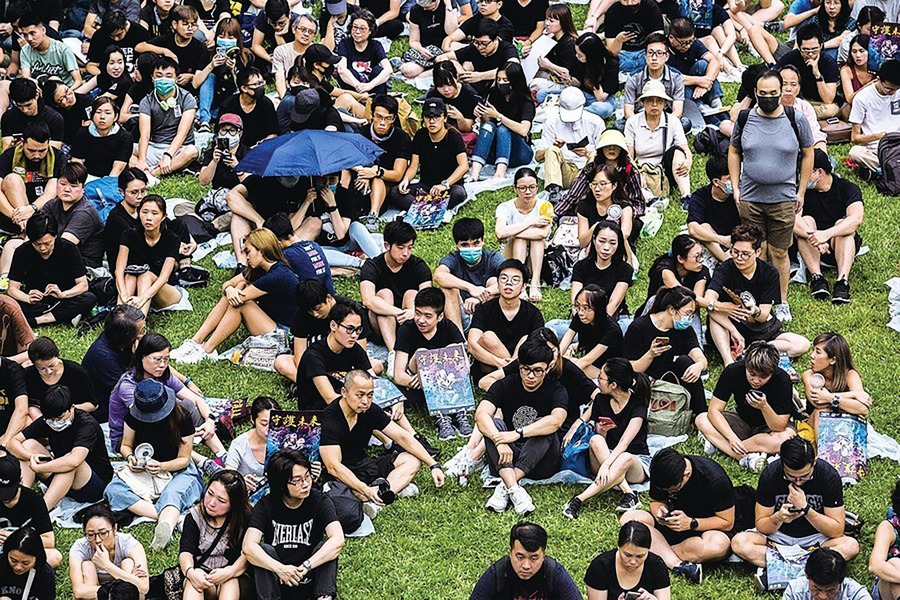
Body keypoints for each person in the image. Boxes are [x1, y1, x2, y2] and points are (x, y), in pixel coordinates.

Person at [728, 69, 814, 323]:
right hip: (751, 199)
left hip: (784, 199)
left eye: (773, 93)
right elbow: (734, 152)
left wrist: (801, 191)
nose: (768, 97)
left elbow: (808, 154)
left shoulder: (795, 119)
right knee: (756, 251)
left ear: (781, 92)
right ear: (755, 93)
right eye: (763, 93)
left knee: (779, 252)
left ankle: (782, 300)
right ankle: (758, 298)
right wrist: (736, 187)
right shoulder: (744, 119)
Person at [321, 369, 444, 519]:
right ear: (344, 392)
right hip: (342, 476)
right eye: (359, 395)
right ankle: (387, 490)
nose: (365, 401)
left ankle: (378, 498)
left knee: (411, 460)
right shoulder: (331, 417)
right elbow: (333, 466)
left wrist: (433, 465)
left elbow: (402, 436)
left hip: (365, 465)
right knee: (351, 492)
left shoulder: (369, 410)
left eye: (370, 395)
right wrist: (365, 490)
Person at [103, 379, 205, 550]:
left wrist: (162, 466)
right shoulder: (133, 417)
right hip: (144, 469)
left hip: (176, 470)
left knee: (174, 492)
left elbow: (184, 459)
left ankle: (166, 523)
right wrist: (131, 459)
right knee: (114, 490)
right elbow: (125, 446)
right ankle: (171, 518)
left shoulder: (182, 417)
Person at [171, 228, 300, 364]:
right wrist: (230, 288)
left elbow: (239, 298)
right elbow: (228, 283)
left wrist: (232, 289)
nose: (246, 257)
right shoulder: (260, 268)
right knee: (235, 292)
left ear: (261, 250)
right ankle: (195, 342)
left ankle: (207, 350)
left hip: (286, 336)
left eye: (248, 251)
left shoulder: (278, 275)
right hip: (274, 324)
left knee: (239, 304)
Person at [731, 437, 859, 570]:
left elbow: (836, 530)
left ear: (814, 462)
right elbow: (761, 526)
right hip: (778, 538)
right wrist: (778, 518)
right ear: (782, 464)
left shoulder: (828, 476)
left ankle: (780, 567)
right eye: (791, 476)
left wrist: (807, 509)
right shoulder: (771, 474)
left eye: (804, 476)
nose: (798, 482)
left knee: (850, 546)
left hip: (817, 539)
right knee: (739, 543)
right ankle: (810, 567)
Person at [477, 338, 567, 515]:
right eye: (526, 369)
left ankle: (505, 486)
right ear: (519, 367)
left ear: (548, 368)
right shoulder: (506, 384)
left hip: (541, 462)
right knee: (493, 424)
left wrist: (517, 433)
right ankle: (514, 489)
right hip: (507, 457)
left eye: (537, 371)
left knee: (545, 424)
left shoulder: (556, 390)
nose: (531, 376)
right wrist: (500, 441)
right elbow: (481, 415)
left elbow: (557, 420)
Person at [620, 447, 736, 584]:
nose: (669, 492)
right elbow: (656, 501)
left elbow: (727, 522)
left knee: (718, 546)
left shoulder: (715, 478)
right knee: (629, 519)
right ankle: (677, 565)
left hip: (706, 527)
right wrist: (660, 512)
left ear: (685, 475)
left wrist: (691, 523)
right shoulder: (662, 471)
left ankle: (654, 553)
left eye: (673, 489)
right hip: (673, 523)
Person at [242, 448, 344, 600]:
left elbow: (338, 540)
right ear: (281, 485)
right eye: (297, 481)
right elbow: (248, 547)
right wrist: (281, 569)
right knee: (263, 550)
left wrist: (306, 567)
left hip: (309, 575)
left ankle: (324, 597)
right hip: (278, 579)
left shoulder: (320, 501)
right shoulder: (266, 505)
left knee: (326, 547)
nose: (305, 484)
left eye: (307, 477)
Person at [704, 223, 812, 366]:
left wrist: (755, 310)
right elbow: (708, 300)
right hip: (730, 325)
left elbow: (763, 315)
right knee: (714, 312)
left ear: (758, 252)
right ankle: (729, 361)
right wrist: (729, 321)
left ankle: (752, 351)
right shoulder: (725, 268)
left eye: (745, 254)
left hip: (761, 329)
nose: (739, 258)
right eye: (735, 252)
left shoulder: (769, 273)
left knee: (802, 344)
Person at [107, 333, 224, 462]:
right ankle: (202, 461)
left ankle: (221, 453)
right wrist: (185, 432)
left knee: (188, 405)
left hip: (158, 425)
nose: (162, 364)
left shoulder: (163, 375)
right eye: (157, 359)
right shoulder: (128, 386)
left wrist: (210, 420)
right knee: (171, 418)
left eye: (166, 359)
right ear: (141, 357)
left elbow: (196, 399)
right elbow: (145, 421)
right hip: (131, 436)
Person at [562, 358, 649, 518]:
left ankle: (579, 500)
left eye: (600, 378)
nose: (597, 381)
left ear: (613, 385)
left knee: (625, 457)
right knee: (595, 439)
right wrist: (602, 431)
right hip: (605, 458)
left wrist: (606, 465)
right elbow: (600, 440)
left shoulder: (637, 405)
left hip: (633, 461)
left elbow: (624, 443)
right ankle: (629, 494)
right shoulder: (601, 400)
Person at [696, 341, 797, 472]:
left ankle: (720, 444)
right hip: (742, 419)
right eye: (752, 374)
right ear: (746, 365)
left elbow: (779, 426)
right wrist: (732, 438)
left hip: (769, 428)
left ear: (773, 372)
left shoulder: (782, 379)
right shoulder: (733, 371)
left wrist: (764, 407)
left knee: (785, 438)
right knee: (701, 419)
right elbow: (714, 410)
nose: (756, 380)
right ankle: (742, 456)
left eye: (763, 376)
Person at [8, 385, 112, 510]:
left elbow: (74, 461)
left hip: (92, 484)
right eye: (51, 419)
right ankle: (22, 496)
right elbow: (13, 442)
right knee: (28, 445)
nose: (55, 422)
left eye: (60, 418)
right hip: (59, 478)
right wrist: (30, 457)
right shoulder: (46, 421)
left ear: (72, 408)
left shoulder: (87, 425)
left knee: (70, 462)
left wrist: (39, 467)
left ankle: (40, 510)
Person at [392, 288, 467, 441]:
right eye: (418, 313)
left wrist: (434, 378)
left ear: (439, 317)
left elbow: (465, 366)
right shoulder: (407, 329)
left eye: (428, 316)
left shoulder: (448, 327)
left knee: (453, 350)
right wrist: (424, 380)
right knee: (422, 352)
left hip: (446, 381)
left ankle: (460, 414)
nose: (421, 320)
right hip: (418, 383)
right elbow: (398, 375)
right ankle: (442, 417)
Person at [0, 162, 103, 273]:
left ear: (83, 188)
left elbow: (65, 246)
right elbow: (35, 232)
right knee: (12, 245)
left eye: (73, 186)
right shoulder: (52, 204)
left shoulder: (85, 212)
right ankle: (5, 280)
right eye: (63, 184)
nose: (67, 189)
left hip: (80, 263)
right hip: (51, 249)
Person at [625, 286, 708, 415]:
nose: (689, 319)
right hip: (643, 382)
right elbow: (630, 368)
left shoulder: (685, 330)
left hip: (670, 379)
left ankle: (702, 414)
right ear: (671, 310)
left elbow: (698, 354)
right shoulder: (639, 327)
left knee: (685, 361)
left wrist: (700, 365)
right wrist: (650, 354)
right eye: (687, 313)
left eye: (692, 314)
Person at [796, 149, 864, 304]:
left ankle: (842, 281)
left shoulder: (847, 188)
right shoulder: (802, 192)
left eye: (803, 172)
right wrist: (815, 238)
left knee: (843, 225)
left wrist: (826, 234)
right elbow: (793, 220)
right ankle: (817, 277)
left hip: (838, 245)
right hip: (813, 246)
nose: (800, 177)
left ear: (819, 172)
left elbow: (856, 218)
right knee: (806, 220)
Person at [7, 212, 97, 327]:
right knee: (9, 303)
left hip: (63, 297)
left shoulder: (69, 248)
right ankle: (63, 316)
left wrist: (63, 294)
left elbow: (83, 285)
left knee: (89, 298)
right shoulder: (22, 251)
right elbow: (12, 289)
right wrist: (27, 298)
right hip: (38, 300)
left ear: (55, 236)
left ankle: (39, 320)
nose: (43, 248)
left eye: (47, 243)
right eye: (37, 244)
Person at [275, 280, 374, 382]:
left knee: (376, 366)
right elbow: (299, 357)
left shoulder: (351, 312)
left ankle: (317, 385)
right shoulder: (303, 315)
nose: (315, 314)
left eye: (318, 309)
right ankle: (314, 384)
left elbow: (361, 353)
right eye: (310, 311)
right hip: (315, 362)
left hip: (345, 364)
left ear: (329, 298)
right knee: (282, 363)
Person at [359, 220, 432, 357]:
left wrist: (413, 312)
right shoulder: (372, 266)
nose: (405, 253)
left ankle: (415, 343)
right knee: (384, 295)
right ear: (387, 245)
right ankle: (394, 353)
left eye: (410, 248)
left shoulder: (418, 266)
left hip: (411, 321)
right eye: (401, 247)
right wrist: (399, 313)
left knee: (412, 294)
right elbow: (367, 300)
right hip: (381, 326)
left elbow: (428, 298)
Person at [180, 471, 251, 600]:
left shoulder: (244, 520)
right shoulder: (194, 516)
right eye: (210, 494)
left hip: (233, 574)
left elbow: (248, 553)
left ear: (234, 504)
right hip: (201, 575)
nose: (211, 503)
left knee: (230, 581)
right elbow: (186, 552)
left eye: (221, 501)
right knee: (195, 581)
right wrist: (190, 572)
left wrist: (230, 571)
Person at [296, 300, 379, 409]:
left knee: (387, 413)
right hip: (318, 410)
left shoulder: (353, 348)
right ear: (333, 326)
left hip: (346, 399)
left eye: (358, 330)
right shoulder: (313, 356)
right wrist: (370, 407)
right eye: (349, 329)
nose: (354, 335)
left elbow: (375, 382)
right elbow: (330, 398)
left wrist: (395, 400)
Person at [625, 80, 693, 210]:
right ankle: (649, 198)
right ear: (642, 103)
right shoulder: (632, 122)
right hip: (640, 168)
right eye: (650, 100)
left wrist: (688, 160)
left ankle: (686, 196)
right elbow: (629, 156)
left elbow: (684, 148)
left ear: (665, 103)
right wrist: (636, 173)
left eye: (659, 100)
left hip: (665, 169)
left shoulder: (672, 121)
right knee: (625, 169)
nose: (654, 104)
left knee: (678, 153)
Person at [392, 98, 468, 213]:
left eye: (437, 117)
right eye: (428, 117)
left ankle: (422, 207)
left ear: (445, 118)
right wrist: (406, 180)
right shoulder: (420, 135)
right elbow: (414, 166)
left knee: (459, 193)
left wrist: (445, 184)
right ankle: (428, 208)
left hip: (449, 186)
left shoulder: (453, 136)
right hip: (426, 186)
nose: (432, 121)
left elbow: (464, 166)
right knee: (395, 192)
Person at [468, 258, 544, 374]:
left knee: (526, 339)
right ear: (497, 284)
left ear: (523, 286)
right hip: (491, 366)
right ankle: (512, 374)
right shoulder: (484, 309)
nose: (508, 283)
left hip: (522, 363)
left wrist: (513, 362)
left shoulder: (533, 313)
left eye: (515, 280)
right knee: (488, 337)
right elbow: (472, 345)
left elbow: (537, 348)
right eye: (504, 278)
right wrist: (500, 363)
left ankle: (510, 374)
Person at [470, 522, 582, 600]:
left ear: (544, 554)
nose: (526, 566)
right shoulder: (497, 574)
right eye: (520, 557)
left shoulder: (554, 573)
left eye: (534, 558)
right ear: (510, 552)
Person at [114, 194, 184, 317]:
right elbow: (119, 270)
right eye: (144, 212)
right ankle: (118, 319)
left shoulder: (172, 239)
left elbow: (164, 278)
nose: (148, 218)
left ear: (163, 217)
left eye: (154, 213)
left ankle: (140, 324)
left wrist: (142, 298)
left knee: (145, 275)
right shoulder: (129, 234)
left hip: (165, 289)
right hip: (136, 286)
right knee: (130, 275)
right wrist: (124, 295)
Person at [534, 87, 605, 205]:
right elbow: (537, 156)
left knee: (595, 155)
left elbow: (604, 155)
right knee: (552, 150)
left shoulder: (595, 122)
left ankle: (585, 189)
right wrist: (554, 146)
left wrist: (586, 153)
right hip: (563, 171)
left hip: (588, 171)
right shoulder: (552, 123)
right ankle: (554, 192)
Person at [132, 56, 200, 177]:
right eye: (158, 75)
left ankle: (153, 174)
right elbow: (145, 134)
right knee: (125, 148)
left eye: (168, 76)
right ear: (152, 78)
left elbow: (182, 133)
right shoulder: (146, 101)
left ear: (175, 78)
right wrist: (142, 160)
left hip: (179, 149)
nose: (163, 79)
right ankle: (144, 168)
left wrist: (168, 155)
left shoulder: (187, 98)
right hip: (155, 146)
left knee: (192, 152)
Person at [469, 61, 534, 182]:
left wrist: (499, 116)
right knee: (488, 126)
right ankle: (475, 173)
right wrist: (482, 114)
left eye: (505, 80)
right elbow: (488, 123)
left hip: (519, 152)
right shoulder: (494, 94)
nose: (501, 83)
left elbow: (524, 130)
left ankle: (500, 172)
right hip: (495, 149)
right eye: (498, 79)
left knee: (504, 129)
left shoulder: (525, 101)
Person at [435, 217, 503, 333]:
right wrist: (471, 288)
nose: (471, 249)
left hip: (486, 312)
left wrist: (480, 296)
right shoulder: (453, 259)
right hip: (459, 313)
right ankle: (458, 339)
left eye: (476, 243)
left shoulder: (492, 258)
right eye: (465, 245)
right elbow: (439, 275)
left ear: (482, 241)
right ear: (457, 245)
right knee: (447, 287)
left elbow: (510, 277)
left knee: (493, 281)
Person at [68, 504, 149, 600]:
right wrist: (128, 583)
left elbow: (143, 587)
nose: (97, 540)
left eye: (103, 533)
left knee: (128, 562)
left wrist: (107, 565)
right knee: (87, 566)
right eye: (90, 535)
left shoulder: (129, 543)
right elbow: (79, 592)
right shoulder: (80, 547)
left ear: (114, 529)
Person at [355, 94, 412, 228]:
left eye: (388, 119)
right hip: (361, 177)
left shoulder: (401, 138)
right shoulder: (361, 133)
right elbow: (349, 159)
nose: (382, 123)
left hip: (387, 182)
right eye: (379, 117)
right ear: (372, 116)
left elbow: (398, 174)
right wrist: (364, 173)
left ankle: (373, 216)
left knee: (377, 179)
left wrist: (377, 172)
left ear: (394, 119)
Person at [82, 305, 146, 422]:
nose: (144, 335)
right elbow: (129, 390)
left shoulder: (125, 343)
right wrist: (139, 357)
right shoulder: (103, 357)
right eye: (141, 332)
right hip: (107, 406)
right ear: (127, 336)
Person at [494, 168, 549, 302]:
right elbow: (500, 232)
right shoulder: (505, 207)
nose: (528, 192)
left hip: (535, 257)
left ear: (537, 187)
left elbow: (544, 233)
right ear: (515, 188)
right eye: (523, 188)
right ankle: (520, 283)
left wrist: (514, 230)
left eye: (532, 187)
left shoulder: (545, 206)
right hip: (511, 255)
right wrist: (531, 222)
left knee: (536, 239)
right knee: (519, 238)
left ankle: (535, 283)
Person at [0, 451, 62, 568]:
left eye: (9, 493)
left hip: (24, 552)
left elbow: (49, 540)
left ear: (20, 481)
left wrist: (14, 538)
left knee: (55, 557)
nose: (5, 499)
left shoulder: (34, 500)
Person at [0, 123, 63, 235]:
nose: (37, 155)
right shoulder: (9, 155)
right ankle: (29, 228)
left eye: (42, 151)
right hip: (14, 210)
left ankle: (28, 231)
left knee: (55, 184)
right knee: (12, 179)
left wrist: (31, 209)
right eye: (32, 150)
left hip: (43, 208)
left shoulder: (57, 157)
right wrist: (18, 216)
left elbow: (51, 192)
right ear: (23, 142)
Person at [583, 521, 672, 600]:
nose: (633, 561)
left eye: (640, 556)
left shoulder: (656, 565)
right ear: (618, 547)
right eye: (627, 555)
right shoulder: (601, 566)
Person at [642, 236, 711, 336]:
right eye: (697, 257)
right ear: (680, 259)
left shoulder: (701, 271)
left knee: (691, 310)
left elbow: (695, 302)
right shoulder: (665, 267)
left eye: (702, 255)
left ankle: (697, 346)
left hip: (684, 316)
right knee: (654, 299)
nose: (701, 260)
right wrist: (716, 306)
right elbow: (679, 293)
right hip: (659, 312)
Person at [436, 19, 519, 97]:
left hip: (497, 88)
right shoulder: (474, 48)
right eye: (476, 42)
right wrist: (462, 74)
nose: (480, 47)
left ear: (496, 39)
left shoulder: (507, 49)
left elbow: (514, 68)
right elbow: (442, 57)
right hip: (475, 86)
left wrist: (481, 76)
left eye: (484, 43)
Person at [576, 164, 640, 266]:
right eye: (594, 184)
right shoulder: (584, 206)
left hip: (617, 250)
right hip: (593, 250)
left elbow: (624, 235)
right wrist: (596, 227)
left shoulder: (624, 207)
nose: (597, 189)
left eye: (602, 184)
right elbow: (583, 242)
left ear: (614, 186)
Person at [802, 332, 870, 426]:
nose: (812, 356)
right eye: (813, 350)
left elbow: (862, 409)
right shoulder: (809, 375)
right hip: (815, 424)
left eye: (818, 352)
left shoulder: (850, 375)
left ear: (833, 360)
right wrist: (853, 395)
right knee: (822, 411)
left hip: (843, 425)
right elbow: (818, 403)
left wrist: (828, 397)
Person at [622, 34, 687, 132]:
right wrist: (643, 126)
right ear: (645, 56)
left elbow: (677, 111)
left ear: (667, 56)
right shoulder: (634, 77)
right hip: (640, 117)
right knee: (619, 125)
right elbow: (628, 111)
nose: (654, 58)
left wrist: (661, 125)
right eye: (650, 53)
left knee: (685, 123)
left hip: (666, 117)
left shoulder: (676, 77)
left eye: (659, 53)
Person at [775, 24, 841, 118]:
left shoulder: (828, 62)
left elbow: (828, 99)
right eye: (805, 50)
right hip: (796, 100)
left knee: (831, 110)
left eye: (814, 49)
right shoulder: (791, 57)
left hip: (819, 103)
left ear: (821, 45)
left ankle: (799, 114)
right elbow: (774, 75)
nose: (810, 54)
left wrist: (817, 74)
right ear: (799, 47)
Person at [559, 285, 624, 379]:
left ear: (598, 308)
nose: (580, 312)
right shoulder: (580, 317)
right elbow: (563, 346)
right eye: (577, 306)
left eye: (586, 308)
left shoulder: (612, 330)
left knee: (571, 365)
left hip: (608, 374)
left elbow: (585, 362)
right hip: (590, 365)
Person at [572, 220, 633, 320]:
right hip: (584, 318)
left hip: (615, 319)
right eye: (601, 241)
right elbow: (576, 301)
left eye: (612, 243)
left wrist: (598, 324)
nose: (606, 248)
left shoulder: (625, 269)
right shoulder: (580, 267)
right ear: (594, 240)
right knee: (552, 325)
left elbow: (614, 303)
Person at [24, 337, 98, 419]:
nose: (49, 372)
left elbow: (93, 404)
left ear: (57, 356)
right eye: (42, 369)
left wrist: (67, 413)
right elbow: (29, 404)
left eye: (52, 366)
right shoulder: (29, 375)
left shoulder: (76, 372)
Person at [848, 59, 900, 174]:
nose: (893, 92)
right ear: (878, 79)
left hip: (897, 144)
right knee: (855, 152)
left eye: (896, 89)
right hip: (875, 148)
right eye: (889, 88)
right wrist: (878, 136)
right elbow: (855, 138)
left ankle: (884, 170)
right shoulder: (862, 98)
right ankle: (890, 168)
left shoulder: (898, 92)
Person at [667, 18, 723, 123]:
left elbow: (714, 61)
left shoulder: (694, 43)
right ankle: (699, 107)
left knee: (703, 64)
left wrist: (707, 81)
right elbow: (671, 77)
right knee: (680, 88)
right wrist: (699, 81)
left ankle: (715, 101)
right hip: (677, 87)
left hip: (697, 83)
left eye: (690, 41)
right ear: (671, 38)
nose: (687, 46)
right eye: (683, 43)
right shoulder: (664, 49)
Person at [264, 212, 334, 293]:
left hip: (312, 299)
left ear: (277, 241)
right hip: (330, 295)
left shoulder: (287, 254)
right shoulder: (314, 245)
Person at [225, 397, 280, 492]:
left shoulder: (285, 440)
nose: (269, 429)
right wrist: (240, 482)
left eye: (274, 424)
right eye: (264, 424)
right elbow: (228, 476)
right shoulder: (240, 444)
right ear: (252, 419)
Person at [70, 97, 133, 179]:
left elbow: (118, 167)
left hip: (116, 178)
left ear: (115, 117)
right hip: (88, 176)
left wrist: (107, 183)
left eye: (108, 113)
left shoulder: (125, 137)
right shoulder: (83, 133)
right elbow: (77, 160)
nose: (102, 117)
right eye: (98, 112)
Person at [217, 68, 279, 148]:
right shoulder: (228, 106)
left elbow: (273, 134)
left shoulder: (266, 104)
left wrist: (259, 146)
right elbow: (220, 133)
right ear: (244, 88)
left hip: (259, 149)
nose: (260, 87)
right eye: (256, 84)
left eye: (261, 83)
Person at [335, 10, 393, 97]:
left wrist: (370, 85)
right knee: (351, 72)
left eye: (362, 29)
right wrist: (359, 87)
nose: (357, 32)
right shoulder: (345, 43)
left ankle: (378, 102)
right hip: (353, 86)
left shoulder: (375, 45)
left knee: (378, 70)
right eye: (355, 27)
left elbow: (388, 70)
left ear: (370, 31)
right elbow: (342, 70)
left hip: (371, 85)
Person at [527, 4, 579, 100]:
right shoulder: (554, 39)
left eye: (551, 21)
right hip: (554, 77)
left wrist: (548, 65)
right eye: (546, 19)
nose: (547, 23)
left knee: (535, 83)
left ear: (563, 23)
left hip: (569, 85)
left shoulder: (569, 43)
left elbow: (566, 72)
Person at [0, 78, 65, 153]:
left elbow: (54, 151)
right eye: (20, 106)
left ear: (36, 95)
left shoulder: (53, 118)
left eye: (28, 105)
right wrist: (12, 146)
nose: (25, 110)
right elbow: (6, 151)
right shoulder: (8, 117)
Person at [17, 14, 81, 88]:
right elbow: (26, 78)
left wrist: (68, 92)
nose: (29, 38)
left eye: (32, 33)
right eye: (25, 35)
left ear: (43, 30)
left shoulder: (62, 49)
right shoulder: (25, 50)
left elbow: (78, 81)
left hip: (64, 89)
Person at [399, 0, 459, 78]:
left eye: (428, 7)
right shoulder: (416, 10)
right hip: (427, 49)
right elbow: (414, 40)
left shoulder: (448, 5)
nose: (424, 9)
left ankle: (429, 72)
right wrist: (420, 49)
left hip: (446, 46)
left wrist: (448, 7)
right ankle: (434, 69)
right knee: (408, 70)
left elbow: (451, 32)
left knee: (456, 55)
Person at [784, 547, 871, 600]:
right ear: (806, 575)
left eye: (831, 590)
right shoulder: (795, 592)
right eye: (816, 588)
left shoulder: (855, 594)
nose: (823, 597)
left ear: (841, 582)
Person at [603, 0, 664, 74]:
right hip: (623, 54)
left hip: (645, 52)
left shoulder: (651, 8)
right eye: (625, 0)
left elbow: (659, 38)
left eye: (633, 0)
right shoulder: (613, 12)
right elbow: (612, 51)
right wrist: (618, 41)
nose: (629, 3)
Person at [569, 32, 620, 119]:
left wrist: (592, 78)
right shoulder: (579, 60)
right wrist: (569, 80)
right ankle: (577, 111)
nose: (577, 56)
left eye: (580, 55)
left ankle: (575, 113)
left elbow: (601, 98)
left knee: (603, 109)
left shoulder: (611, 64)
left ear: (591, 56)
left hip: (603, 100)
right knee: (542, 94)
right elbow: (579, 84)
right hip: (582, 94)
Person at [779, 65, 829, 152]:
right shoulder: (767, 105)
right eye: (784, 84)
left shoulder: (805, 106)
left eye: (793, 84)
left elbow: (815, 133)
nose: (788, 89)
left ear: (799, 88)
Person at [85, 10, 149, 76]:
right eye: (111, 36)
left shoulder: (140, 33)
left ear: (126, 25)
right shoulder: (99, 35)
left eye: (119, 35)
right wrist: (104, 77)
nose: (115, 39)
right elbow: (91, 65)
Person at [198, 113, 250, 193]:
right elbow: (203, 181)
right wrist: (214, 162)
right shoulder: (211, 152)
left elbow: (251, 185)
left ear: (239, 133)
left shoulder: (247, 154)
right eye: (224, 130)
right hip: (217, 193)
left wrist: (237, 167)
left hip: (239, 195)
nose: (227, 134)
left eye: (232, 131)